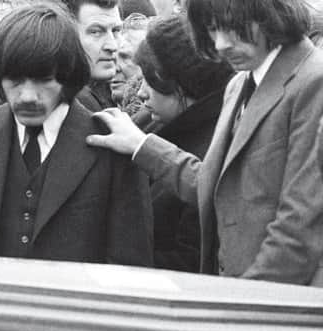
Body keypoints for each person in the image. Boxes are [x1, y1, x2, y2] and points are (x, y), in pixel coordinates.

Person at [88, 0, 323, 285]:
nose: (221, 44)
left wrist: (242, 304)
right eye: (212, 30)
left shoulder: (314, 84)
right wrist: (141, 146)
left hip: (276, 305)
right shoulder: (240, 84)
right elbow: (218, 188)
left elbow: (299, 228)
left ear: (271, 14)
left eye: (233, 28)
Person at [0, 3, 153, 265]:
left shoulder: (114, 148)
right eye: (15, 80)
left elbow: (130, 271)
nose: (28, 96)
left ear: (68, 77)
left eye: (44, 80)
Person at [133, 14, 233, 272]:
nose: (140, 91)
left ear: (183, 83)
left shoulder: (214, 151)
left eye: (152, 81)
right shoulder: (148, 124)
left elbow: (190, 260)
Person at [65, 0, 122, 111]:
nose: (112, 46)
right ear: (67, 35)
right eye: (96, 32)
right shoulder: (73, 103)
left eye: (116, 31)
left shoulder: (108, 95)